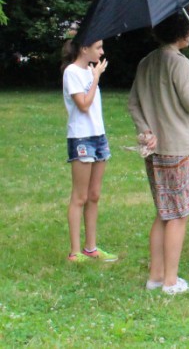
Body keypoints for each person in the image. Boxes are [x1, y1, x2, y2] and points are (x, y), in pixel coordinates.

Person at [128, 12, 189, 294]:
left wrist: (146, 130)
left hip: (156, 149)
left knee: (164, 213)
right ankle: (170, 281)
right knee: (178, 215)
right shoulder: (179, 63)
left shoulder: (147, 61)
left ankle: (156, 278)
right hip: (180, 148)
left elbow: (133, 104)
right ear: (181, 32)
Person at [61, 36, 117, 262]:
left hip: (98, 136)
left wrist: (94, 76)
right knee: (80, 196)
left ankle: (91, 248)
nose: (102, 52)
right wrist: (95, 79)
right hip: (81, 138)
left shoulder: (89, 71)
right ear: (84, 49)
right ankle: (75, 252)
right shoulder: (72, 72)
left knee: (94, 195)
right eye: (98, 47)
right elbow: (83, 105)